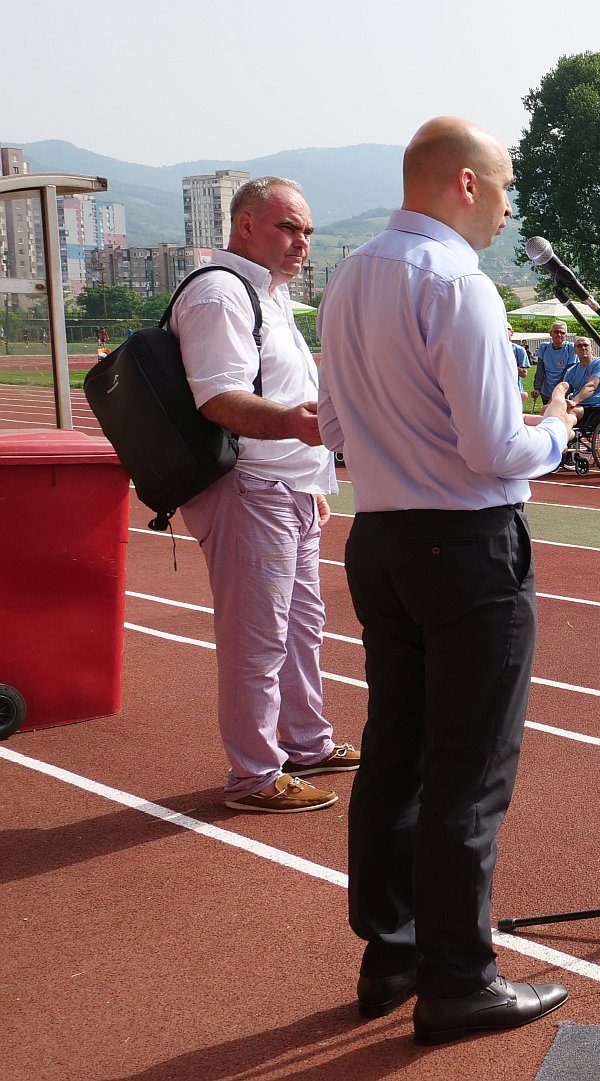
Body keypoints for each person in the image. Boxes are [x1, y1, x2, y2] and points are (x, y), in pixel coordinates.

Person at [317, 117, 571, 1040]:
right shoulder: (460, 284)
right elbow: (496, 447)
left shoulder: (347, 276)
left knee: (396, 751)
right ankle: (458, 979)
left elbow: (333, 430)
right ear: (465, 184)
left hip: (380, 537)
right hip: (465, 548)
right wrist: (558, 425)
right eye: (502, 189)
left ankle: (391, 952)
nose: (507, 211)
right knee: (468, 768)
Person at [174, 174, 346, 814]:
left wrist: (309, 476)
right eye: (288, 227)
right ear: (244, 225)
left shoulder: (266, 294)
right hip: (250, 488)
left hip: (289, 488)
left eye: (306, 231)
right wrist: (297, 428)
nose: (301, 242)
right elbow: (218, 399)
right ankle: (254, 775)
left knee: (302, 628)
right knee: (259, 637)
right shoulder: (221, 294)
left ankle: (305, 742)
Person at [556, 342, 600, 427]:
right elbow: (563, 391)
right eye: (579, 346)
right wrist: (551, 404)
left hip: (595, 408)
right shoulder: (571, 371)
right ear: (575, 351)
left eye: (586, 345)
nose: (583, 348)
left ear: (592, 349)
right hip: (578, 405)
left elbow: (591, 386)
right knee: (547, 409)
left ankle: (565, 436)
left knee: (569, 412)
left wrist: (574, 401)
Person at [533, 320, 573, 403]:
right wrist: (537, 388)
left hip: (562, 393)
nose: (559, 335)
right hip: (546, 391)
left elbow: (568, 372)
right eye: (556, 332)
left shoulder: (570, 348)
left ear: (566, 335)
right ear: (550, 333)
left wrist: (559, 391)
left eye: (562, 333)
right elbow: (540, 370)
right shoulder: (544, 347)